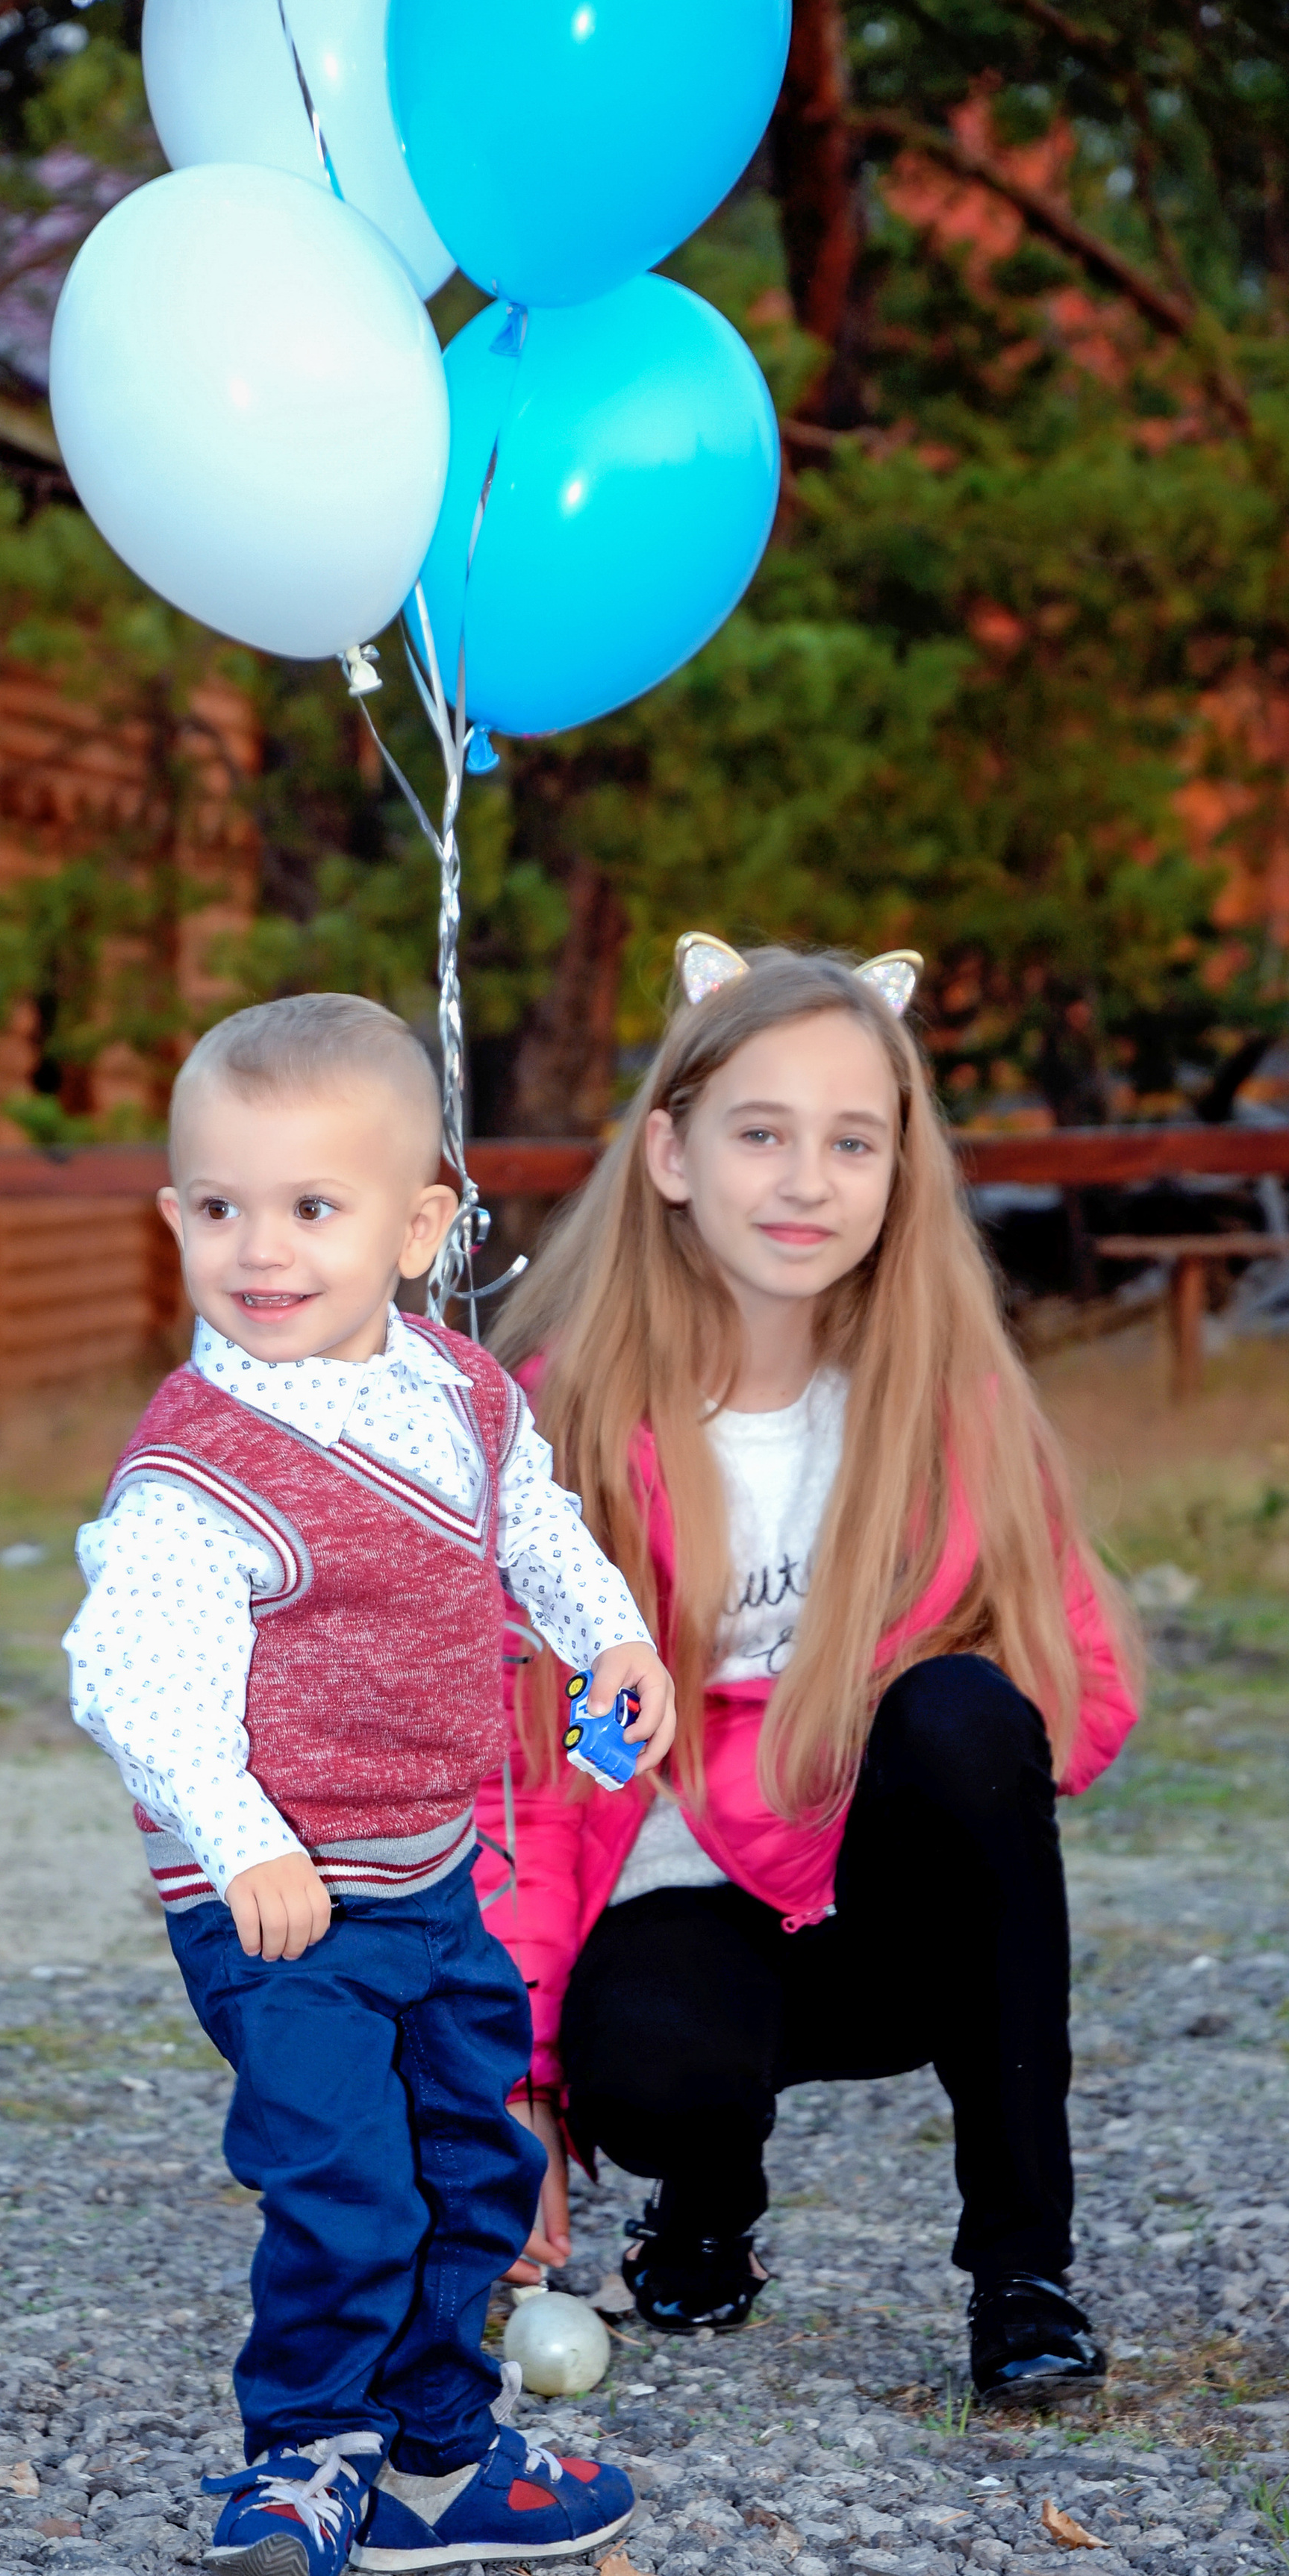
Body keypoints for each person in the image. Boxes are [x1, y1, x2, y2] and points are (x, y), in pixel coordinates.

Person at [63, 992, 675, 2576]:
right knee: (346, 2174)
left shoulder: (459, 1391)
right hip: (269, 1890)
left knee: (470, 2155)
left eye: (310, 1206)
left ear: (419, 1228)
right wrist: (235, 1827)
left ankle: (431, 2447)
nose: (257, 1246)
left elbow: (526, 1524)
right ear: (175, 1212)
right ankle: (306, 2448)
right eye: (218, 1204)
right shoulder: (199, 1466)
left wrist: (605, 1629)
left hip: (423, 1864)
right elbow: (129, 1671)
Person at [481, 939, 1140, 2406]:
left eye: (851, 1140)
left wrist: (925, 1785)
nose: (803, 1179)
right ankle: (704, 2198)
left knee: (966, 1712)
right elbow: (535, 1762)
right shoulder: (567, 1428)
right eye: (758, 1132)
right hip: (683, 1873)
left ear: (898, 1171)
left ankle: (1021, 2269)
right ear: (669, 1151)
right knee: (648, 2073)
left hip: (878, 1891)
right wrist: (515, 2080)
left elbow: (1078, 1687)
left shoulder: (941, 1402)